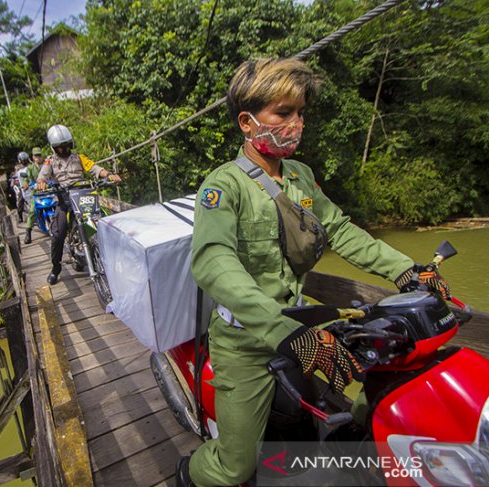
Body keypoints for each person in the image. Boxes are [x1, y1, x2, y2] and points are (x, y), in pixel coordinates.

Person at [178, 58, 449, 487]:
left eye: (300, 112)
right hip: (247, 340)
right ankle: (188, 474)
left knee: (366, 388)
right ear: (247, 123)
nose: (296, 123)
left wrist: (405, 270)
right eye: (283, 113)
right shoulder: (223, 186)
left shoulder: (301, 178)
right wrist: (281, 331)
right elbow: (213, 261)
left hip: (303, 327)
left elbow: (338, 229)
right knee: (235, 468)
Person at [36, 124, 121, 285]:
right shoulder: (50, 161)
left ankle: (112, 260)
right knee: (57, 234)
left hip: (84, 198)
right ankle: (56, 268)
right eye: (60, 147)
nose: (64, 149)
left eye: (67, 145)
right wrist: (41, 183)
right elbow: (43, 176)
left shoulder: (79, 157)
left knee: (103, 224)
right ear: (54, 148)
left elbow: (95, 168)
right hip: (65, 201)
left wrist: (109, 175)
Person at [15, 151, 41, 243]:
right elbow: (24, 181)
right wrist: (26, 185)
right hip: (30, 192)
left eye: (39, 155)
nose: (38, 157)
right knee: (31, 210)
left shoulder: (37, 166)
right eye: (36, 156)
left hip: (41, 190)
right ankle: (28, 232)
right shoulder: (21, 171)